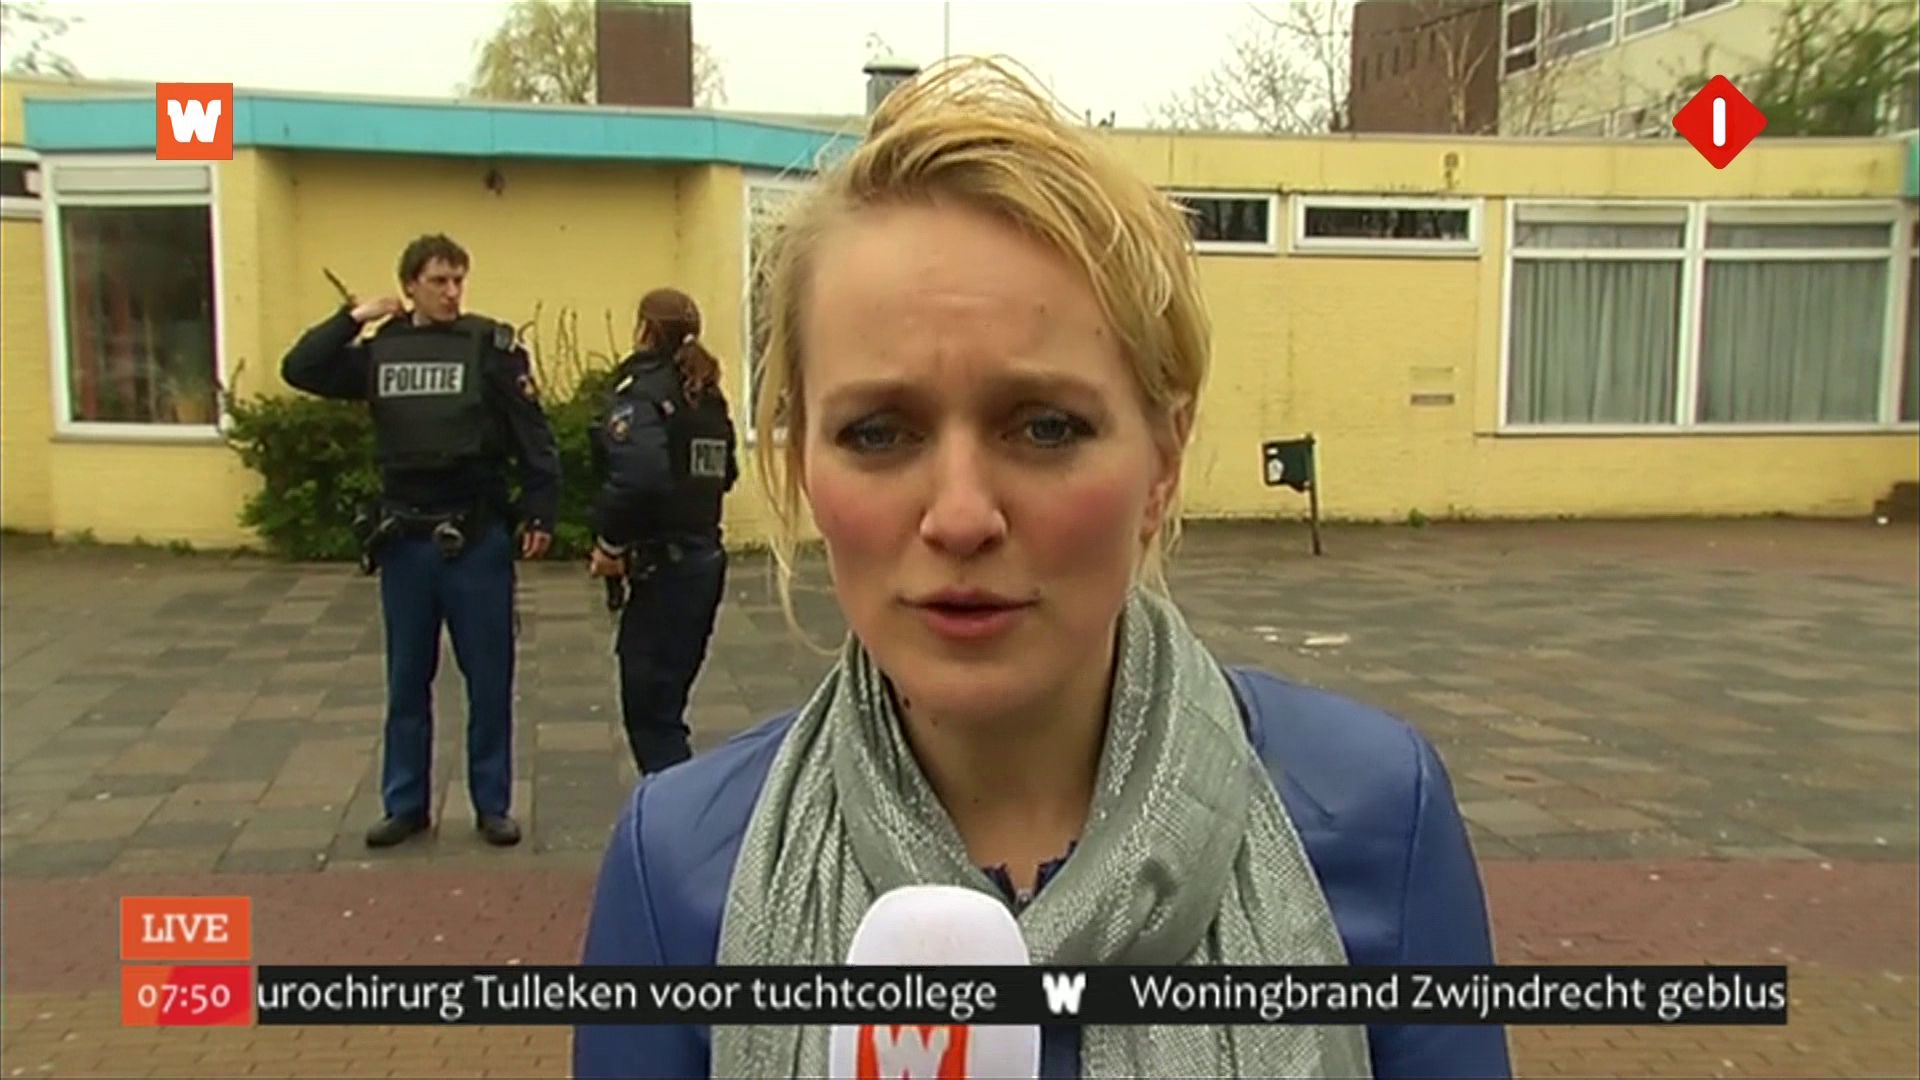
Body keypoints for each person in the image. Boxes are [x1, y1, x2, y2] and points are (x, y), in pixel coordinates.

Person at [575, 59, 1509, 1079]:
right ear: (802, 464)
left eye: (1047, 426)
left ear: (1163, 458)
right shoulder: (679, 872)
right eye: (879, 432)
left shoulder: (1374, 818)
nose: (961, 516)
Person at [281, 233, 559, 849]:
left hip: (475, 538)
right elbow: (300, 369)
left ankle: (492, 804)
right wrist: (353, 318)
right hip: (406, 541)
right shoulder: (383, 351)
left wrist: (540, 513)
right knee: (407, 680)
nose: (452, 292)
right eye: (438, 281)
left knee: (488, 679)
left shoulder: (489, 347)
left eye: (458, 280)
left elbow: (532, 437)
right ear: (409, 286)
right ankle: (405, 804)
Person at [586, 287, 739, 775]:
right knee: (667, 709)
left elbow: (640, 476)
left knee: (651, 717)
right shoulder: (706, 395)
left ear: (645, 330)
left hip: (664, 569)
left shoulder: (644, 392)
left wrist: (610, 543)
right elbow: (726, 473)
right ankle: (675, 802)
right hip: (702, 564)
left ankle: (676, 812)